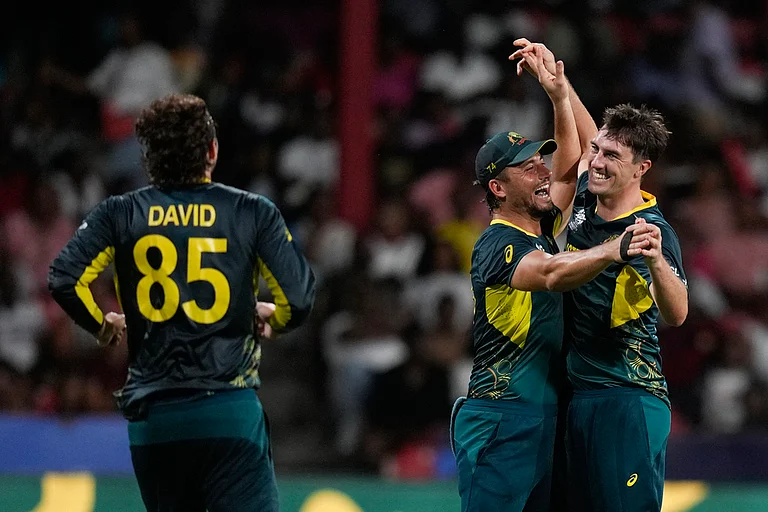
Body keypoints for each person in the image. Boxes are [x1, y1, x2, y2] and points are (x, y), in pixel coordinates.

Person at [48, 94, 316, 512]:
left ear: (148, 158)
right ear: (211, 150)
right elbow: (299, 299)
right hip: (228, 409)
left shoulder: (119, 213)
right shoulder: (251, 211)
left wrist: (103, 327)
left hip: (156, 421)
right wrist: (273, 319)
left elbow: (64, 278)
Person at [451, 50, 652, 512]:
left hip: (546, 418)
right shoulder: (495, 244)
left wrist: (559, 96)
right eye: (527, 167)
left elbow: (569, 162)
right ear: (497, 189)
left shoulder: (540, 228)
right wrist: (611, 249)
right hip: (502, 417)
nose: (543, 171)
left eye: (539, 160)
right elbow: (549, 274)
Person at [514, 40, 689, 512]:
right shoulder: (587, 201)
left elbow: (677, 313)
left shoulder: (652, 233)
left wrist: (655, 264)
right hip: (578, 396)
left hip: (627, 398)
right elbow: (591, 133)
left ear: (641, 169)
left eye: (612, 156)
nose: (596, 161)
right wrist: (558, 86)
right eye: (596, 152)